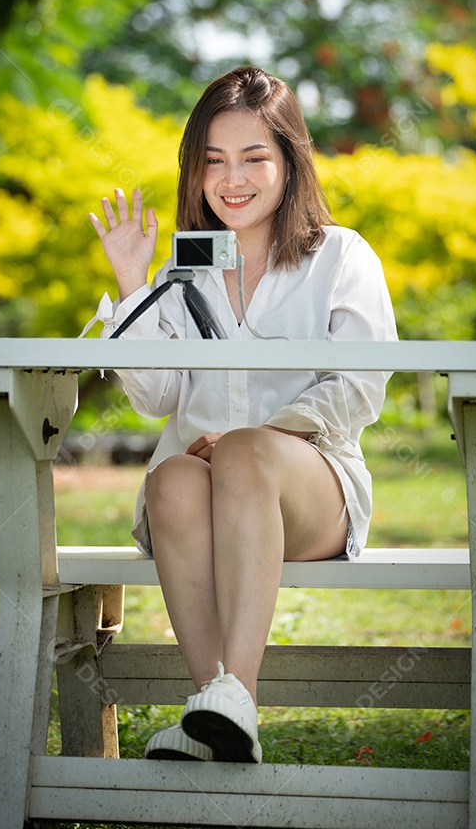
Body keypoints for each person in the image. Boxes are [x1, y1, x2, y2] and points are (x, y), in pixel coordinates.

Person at [87, 65, 397, 764]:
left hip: (309, 495)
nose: (234, 178)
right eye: (214, 161)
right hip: (195, 502)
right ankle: (212, 717)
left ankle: (238, 696)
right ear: (194, 172)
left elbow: (360, 386)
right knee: (166, 478)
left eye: (255, 157)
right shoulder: (179, 273)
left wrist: (258, 436)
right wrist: (133, 284)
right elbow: (155, 397)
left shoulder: (340, 255)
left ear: (291, 162)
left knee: (246, 453)